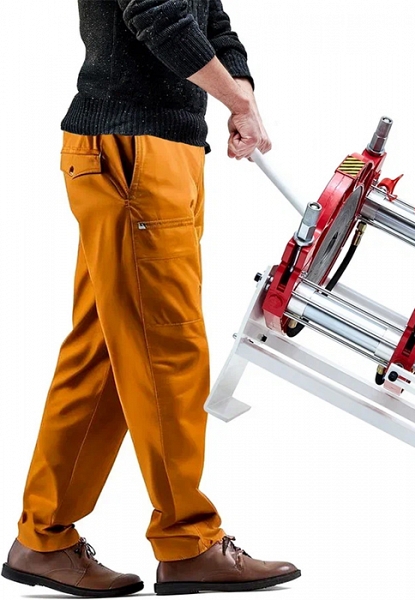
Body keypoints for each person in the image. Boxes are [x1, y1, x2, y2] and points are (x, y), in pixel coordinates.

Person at [1, 1, 300, 596]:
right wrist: (235, 102)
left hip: (161, 150)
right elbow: (158, 14)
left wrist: (242, 93)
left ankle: (43, 537)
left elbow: (211, 20)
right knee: (168, 351)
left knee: (103, 354)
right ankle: (189, 542)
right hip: (133, 150)